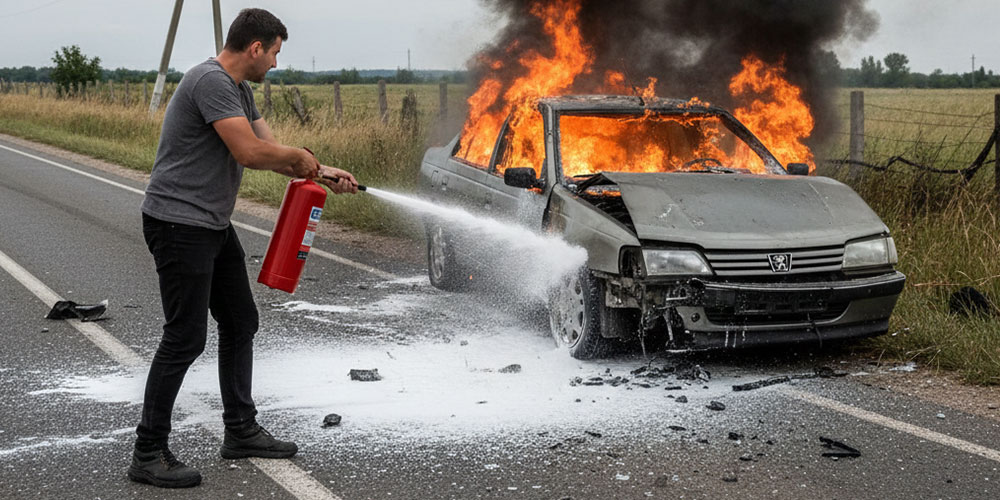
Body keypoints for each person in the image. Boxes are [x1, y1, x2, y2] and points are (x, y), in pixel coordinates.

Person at [128, 8, 358, 488]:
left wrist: (323, 171)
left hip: (209, 223)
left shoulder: (241, 90)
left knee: (239, 321)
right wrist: (299, 159)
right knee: (185, 336)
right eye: (275, 51)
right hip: (177, 223)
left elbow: (273, 150)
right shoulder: (209, 81)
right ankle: (147, 452)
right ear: (255, 47)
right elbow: (250, 154)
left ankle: (240, 431)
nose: (275, 62)